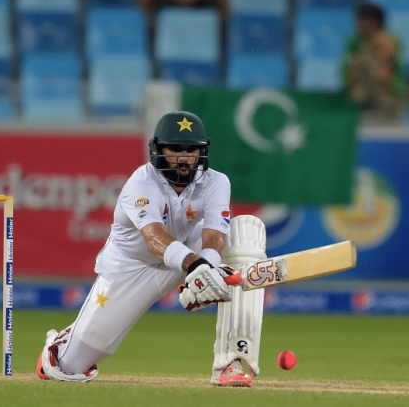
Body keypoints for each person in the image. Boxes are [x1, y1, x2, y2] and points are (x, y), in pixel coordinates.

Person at [36, 111, 267, 386]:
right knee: (68, 367)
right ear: (158, 150)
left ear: (202, 151)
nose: (184, 157)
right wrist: (198, 268)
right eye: (175, 149)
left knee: (245, 230)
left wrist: (207, 268)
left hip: (186, 252)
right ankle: (67, 341)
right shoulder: (141, 183)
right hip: (131, 266)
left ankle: (231, 360)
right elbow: (155, 238)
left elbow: (215, 235)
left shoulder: (217, 182)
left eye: (191, 149)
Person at [342, 3, 408, 122]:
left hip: (387, 101)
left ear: (373, 23)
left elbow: (385, 75)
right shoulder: (354, 42)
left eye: (361, 22)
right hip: (361, 101)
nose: (357, 25)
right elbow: (347, 74)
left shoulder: (389, 41)